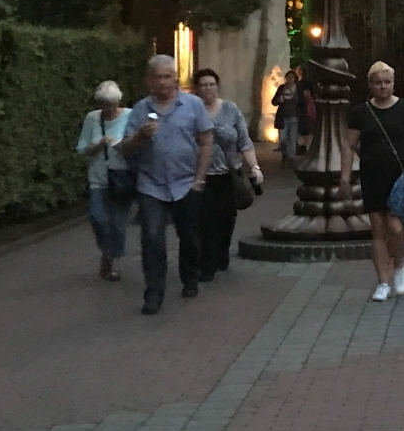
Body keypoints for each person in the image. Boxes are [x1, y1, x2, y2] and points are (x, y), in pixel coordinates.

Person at [119, 55, 214, 315]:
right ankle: (153, 294)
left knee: (189, 237)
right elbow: (126, 148)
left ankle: (190, 277)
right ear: (149, 80)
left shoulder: (193, 104)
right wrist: (140, 136)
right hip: (151, 185)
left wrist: (199, 179)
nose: (162, 82)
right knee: (152, 238)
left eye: (167, 76)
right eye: (157, 77)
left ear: (175, 77)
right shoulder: (140, 109)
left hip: (185, 183)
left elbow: (206, 141)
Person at [339, 60, 404, 302]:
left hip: (399, 178)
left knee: (395, 227)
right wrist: (345, 176)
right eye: (378, 83)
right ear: (370, 85)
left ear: (393, 83)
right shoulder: (360, 113)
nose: (383, 87)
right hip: (372, 176)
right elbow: (349, 146)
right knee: (377, 229)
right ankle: (383, 282)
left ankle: (399, 264)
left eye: (387, 82)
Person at [191, 68, 263, 279]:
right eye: (203, 85)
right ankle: (207, 265)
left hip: (227, 174)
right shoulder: (191, 111)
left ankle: (221, 252)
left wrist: (255, 167)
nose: (208, 88)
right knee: (205, 221)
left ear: (218, 86)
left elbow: (244, 142)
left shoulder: (230, 109)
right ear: (196, 89)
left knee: (226, 219)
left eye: (211, 84)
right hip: (200, 176)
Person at [76, 80, 133, 281]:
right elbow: (81, 148)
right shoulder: (92, 118)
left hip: (122, 177)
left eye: (113, 105)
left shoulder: (130, 115)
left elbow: (137, 143)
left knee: (117, 222)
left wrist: (123, 146)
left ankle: (115, 263)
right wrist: (98, 145)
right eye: (105, 105)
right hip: (98, 178)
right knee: (97, 218)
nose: (109, 109)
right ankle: (106, 251)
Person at [272, 69, 302, 164]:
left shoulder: (298, 89)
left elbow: (303, 103)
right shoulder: (281, 88)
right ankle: (284, 153)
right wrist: (278, 100)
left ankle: (291, 158)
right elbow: (273, 102)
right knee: (283, 139)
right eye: (288, 77)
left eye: (292, 77)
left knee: (292, 139)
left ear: (295, 79)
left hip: (294, 117)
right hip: (283, 117)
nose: (290, 79)